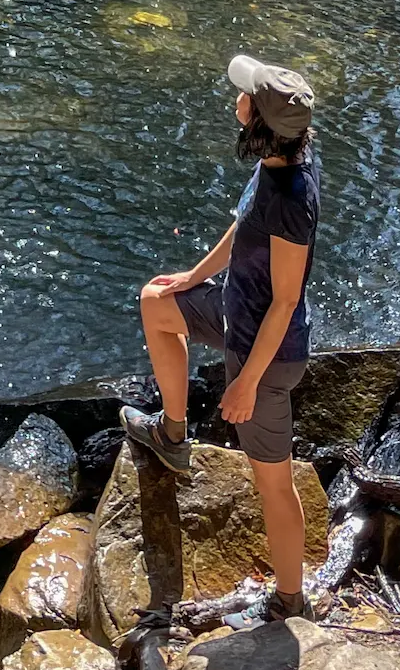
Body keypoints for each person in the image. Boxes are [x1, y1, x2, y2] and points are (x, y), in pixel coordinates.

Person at [122, 54, 320, 622]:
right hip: (237, 316)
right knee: (156, 302)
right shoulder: (283, 156)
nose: (236, 98)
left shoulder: (291, 198)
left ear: (257, 118)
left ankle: (289, 602)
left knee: (274, 486)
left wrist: (246, 385)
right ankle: (173, 435)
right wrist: (195, 277)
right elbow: (242, 225)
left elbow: (285, 299)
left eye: (246, 96)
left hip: (268, 352)